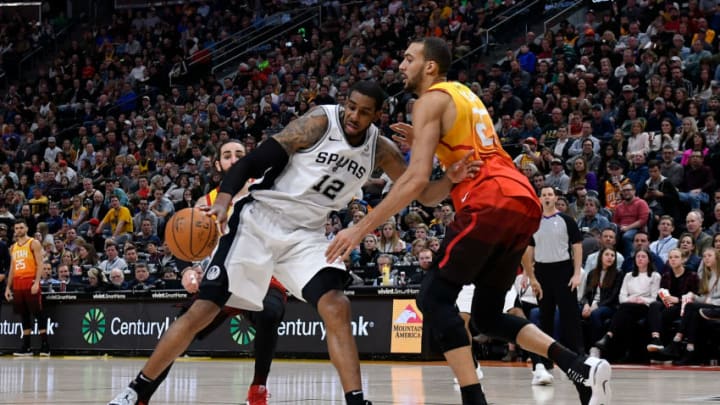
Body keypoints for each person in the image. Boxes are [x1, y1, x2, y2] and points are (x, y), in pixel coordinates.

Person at [109, 80, 473, 405]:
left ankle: (356, 400)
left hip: (306, 236)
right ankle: (137, 391)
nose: (354, 116)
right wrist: (223, 201)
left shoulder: (382, 150)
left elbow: (424, 195)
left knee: (336, 306)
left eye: (364, 112)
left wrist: (451, 179)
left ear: (377, 114)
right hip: (258, 221)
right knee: (202, 310)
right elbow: (255, 160)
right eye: (351, 106)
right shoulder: (320, 122)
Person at [326, 38, 611, 405]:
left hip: (488, 200)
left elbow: (415, 184)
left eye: (409, 58)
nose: (401, 65)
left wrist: (360, 227)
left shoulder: (428, 100)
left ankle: (474, 399)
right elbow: (442, 183)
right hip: (521, 200)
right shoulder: (463, 94)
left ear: (430, 66)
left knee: (432, 298)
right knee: (489, 316)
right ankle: (579, 367)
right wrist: (439, 149)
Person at [110, 139, 288, 405]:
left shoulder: (265, 190)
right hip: (224, 276)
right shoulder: (207, 201)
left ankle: (258, 388)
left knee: (271, 312)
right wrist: (188, 269)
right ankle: (139, 394)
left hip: (262, 273)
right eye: (227, 155)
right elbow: (188, 249)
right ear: (218, 164)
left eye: (239, 154)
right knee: (184, 325)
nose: (233, 159)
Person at [524, 186, 585, 382]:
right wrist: (530, 275)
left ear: (556, 198)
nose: (547, 197)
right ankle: (543, 362)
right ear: (539, 199)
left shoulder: (567, 220)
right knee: (545, 317)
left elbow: (577, 247)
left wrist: (576, 274)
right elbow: (528, 250)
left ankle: (579, 358)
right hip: (542, 271)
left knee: (570, 316)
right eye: (544, 195)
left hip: (564, 270)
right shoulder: (533, 222)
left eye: (550, 194)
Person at [4, 219, 47, 356]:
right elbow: (12, 268)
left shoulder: (33, 243)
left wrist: (36, 282)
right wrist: (8, 287)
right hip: (18, 283)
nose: (19, 230)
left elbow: (40, 264)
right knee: (23, 315)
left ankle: (45, 346)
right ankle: (26, 346)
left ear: (27, 229)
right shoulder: (13, 247)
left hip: (30, 280)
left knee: (38, 313)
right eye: (16, 228)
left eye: (21, 227)